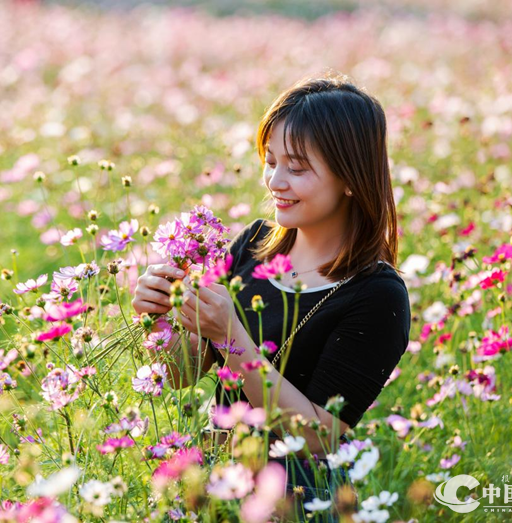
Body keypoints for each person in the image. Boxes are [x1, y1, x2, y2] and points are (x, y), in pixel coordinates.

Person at [132, 73, 411, 518]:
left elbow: (320, 436)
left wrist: (230, 335)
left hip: (297, 499)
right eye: (270, 160)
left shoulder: (377, 295)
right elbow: (183, 371)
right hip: (218, 480)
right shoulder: (255, 244)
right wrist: (160, 319)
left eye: (297, 168)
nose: (274, 181)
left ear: (351, 178)